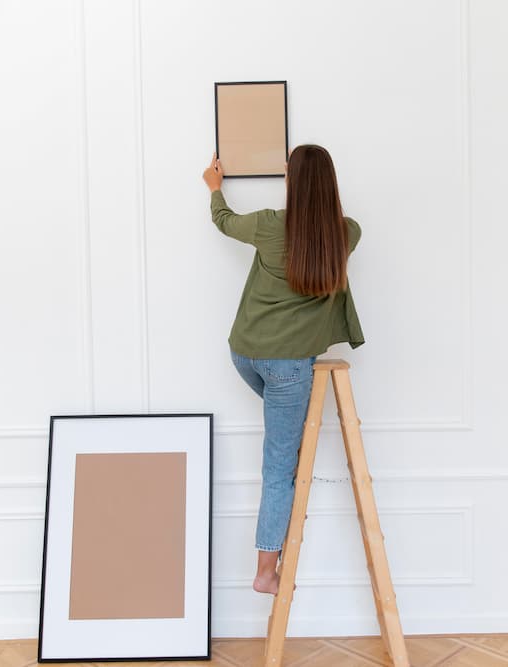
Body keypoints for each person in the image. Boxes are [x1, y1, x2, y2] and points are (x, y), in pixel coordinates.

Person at [202, 144, 364, 595]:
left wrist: (215, 188)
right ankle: (264, 573)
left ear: (290, 180)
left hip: (246, 354)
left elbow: (224, 221)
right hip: (290, 367)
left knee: (282, 443)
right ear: (331, 184)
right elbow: (332, 228)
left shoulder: (269, 225)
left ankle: (274, 535)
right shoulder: (346, 234)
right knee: (279, 469)